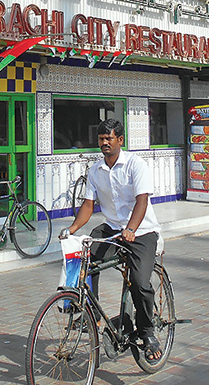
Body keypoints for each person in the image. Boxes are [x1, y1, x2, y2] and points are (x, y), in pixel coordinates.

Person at [60, 118, 163, 362]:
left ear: (120, 140)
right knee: (86, 257)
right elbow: (88, 205)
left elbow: (142, 200)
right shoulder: (95, 170)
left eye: (109, 139)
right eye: (101, 139)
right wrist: (72, 229)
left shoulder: (135, 165)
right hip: (112, 229)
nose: (105, 143)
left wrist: (131, 228)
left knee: (139, 282)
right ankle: (92, 313)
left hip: (141, 231)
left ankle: (148, 333)